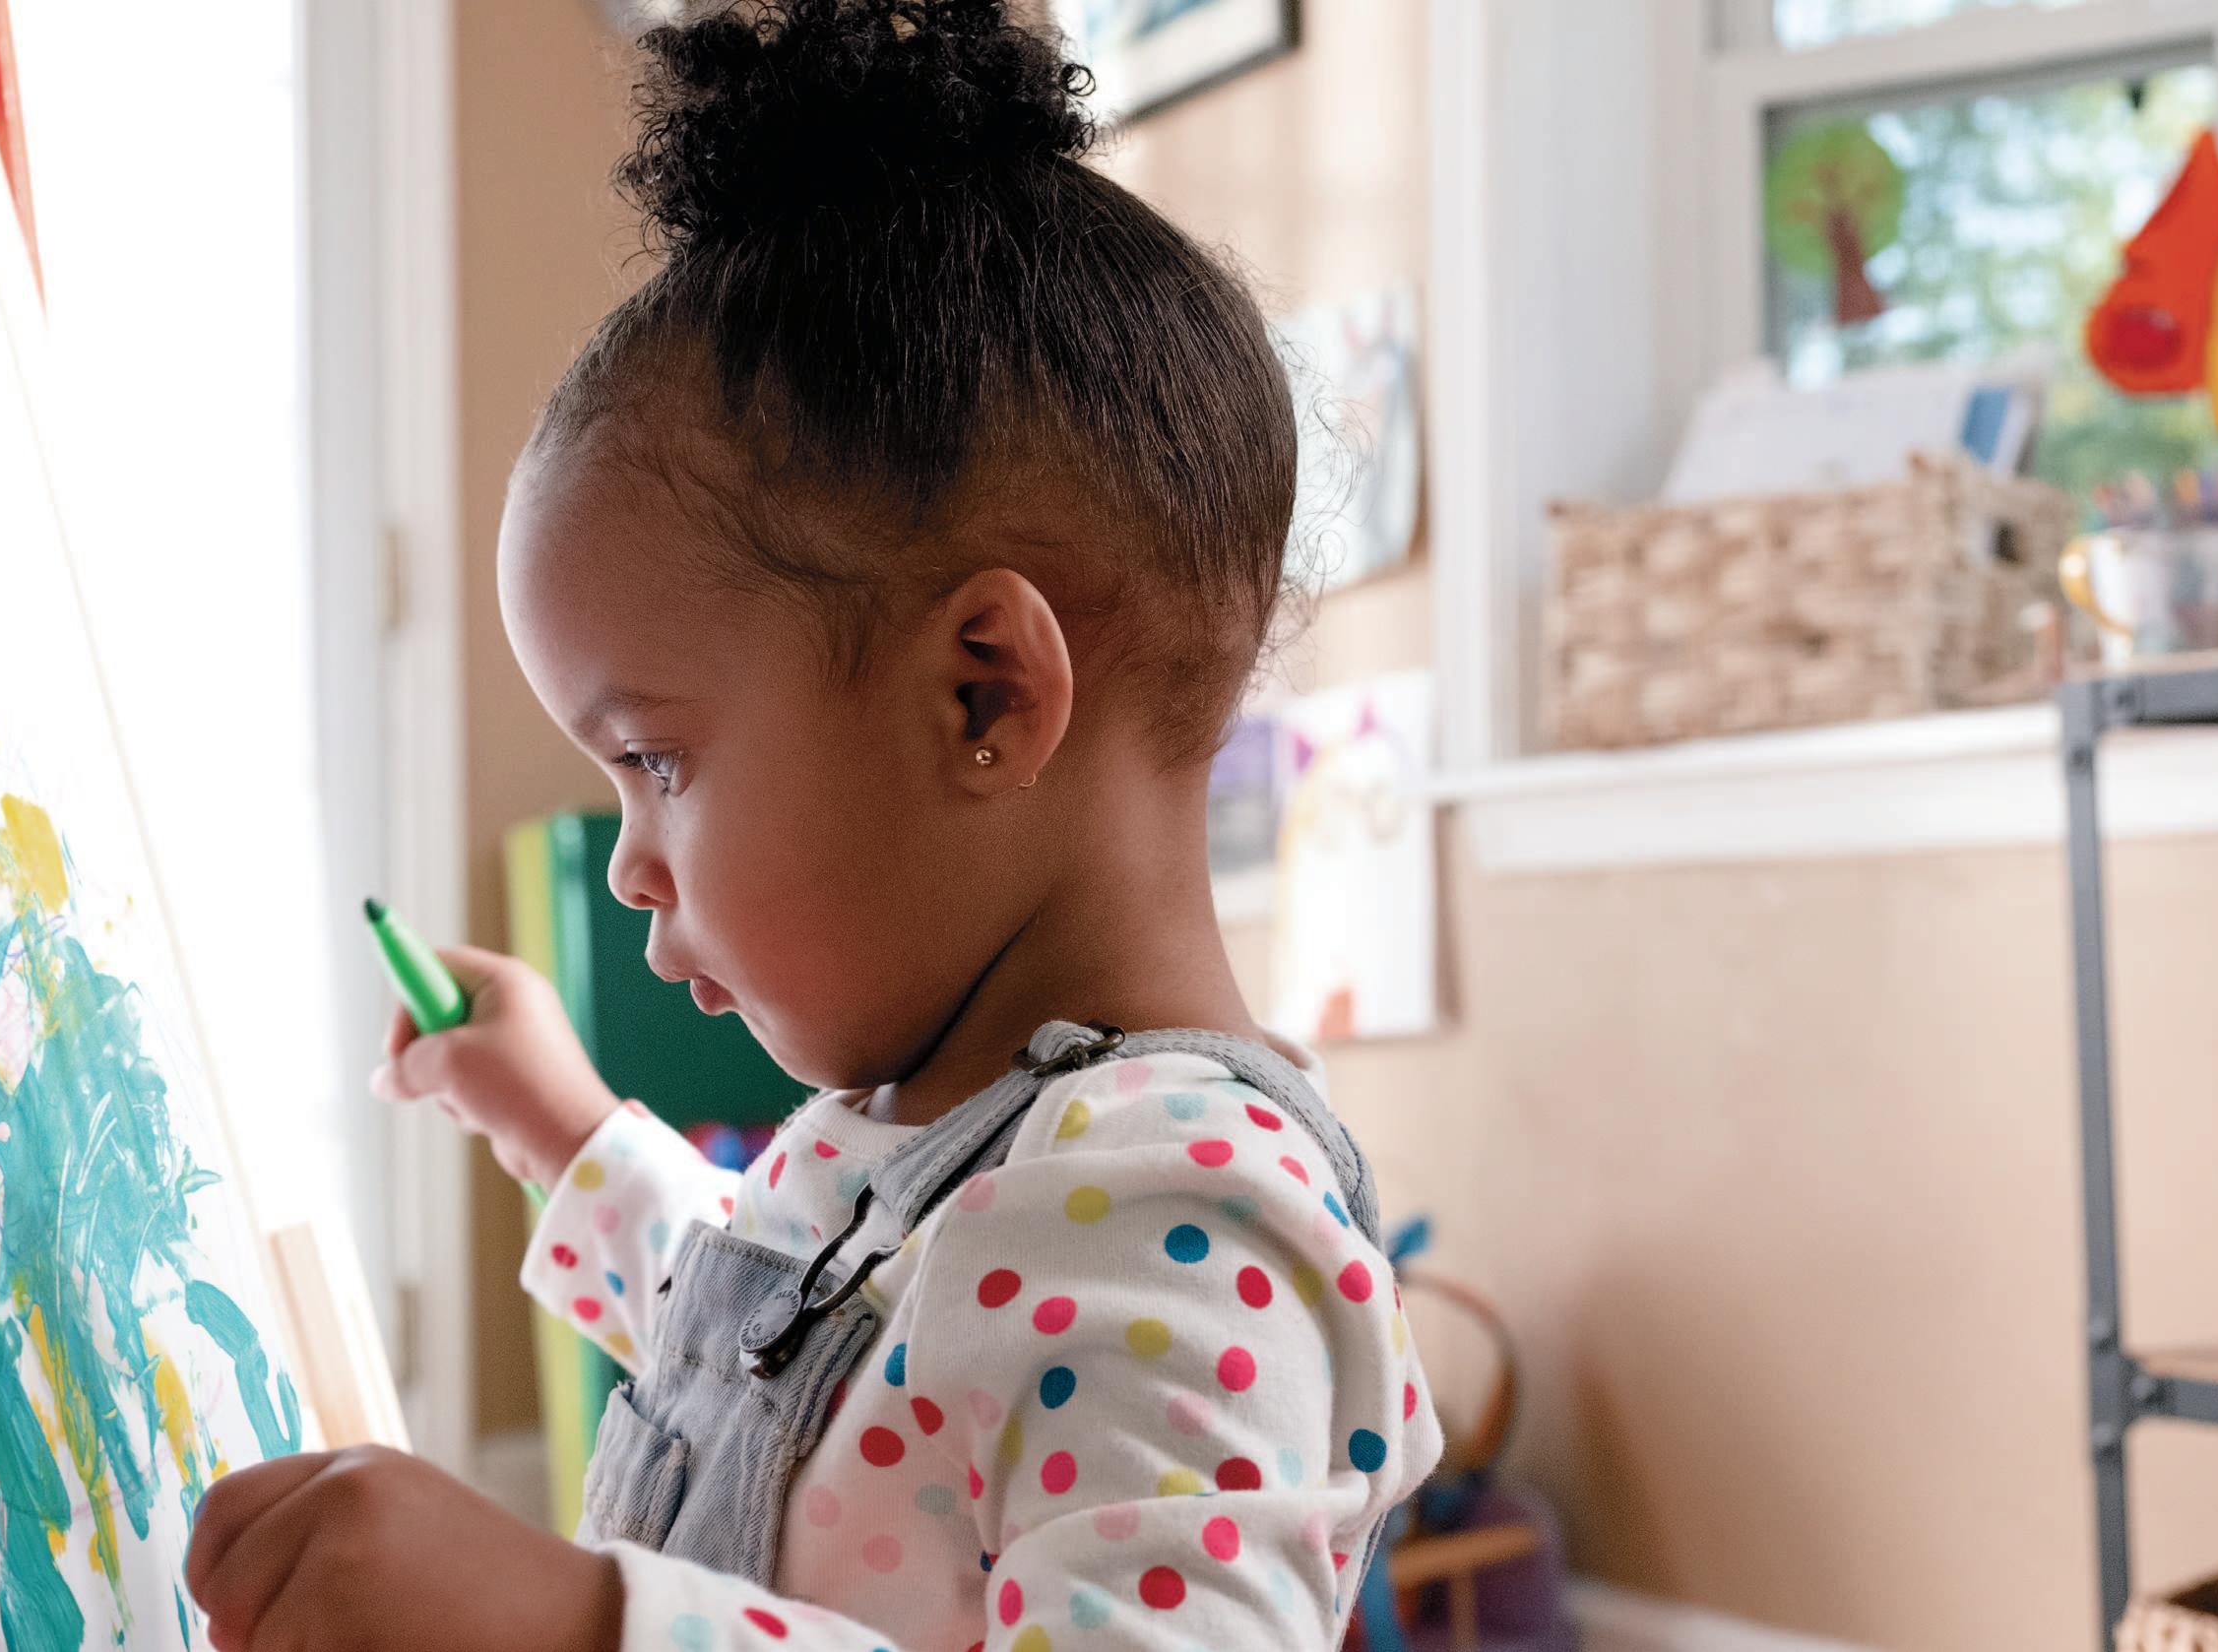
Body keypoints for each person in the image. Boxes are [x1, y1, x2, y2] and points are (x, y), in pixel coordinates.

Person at [181, 2, 1438, 1646]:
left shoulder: (1177, 1228)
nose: (629, 861)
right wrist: (563, 1126)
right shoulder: (946, 1144)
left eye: (656, 759)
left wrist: (574, 1620)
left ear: (983, 695)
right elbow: (802, 1388)